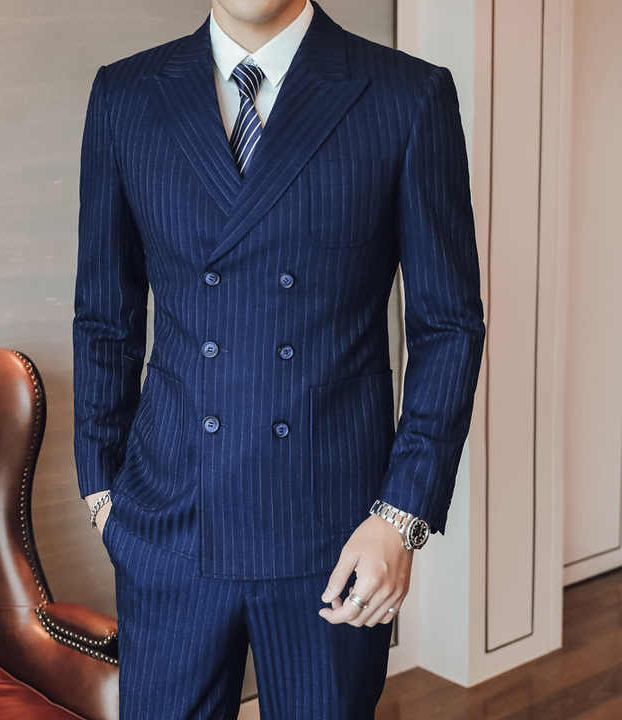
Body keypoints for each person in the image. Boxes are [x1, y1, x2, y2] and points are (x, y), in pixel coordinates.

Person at [72, 0, 486, 717]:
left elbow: (448, 327)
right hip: (166, 522)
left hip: (336, 531)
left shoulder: (406, 95)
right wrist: (101, 490)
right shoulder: (125, 94)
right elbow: (105, 315)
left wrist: (402, 516)